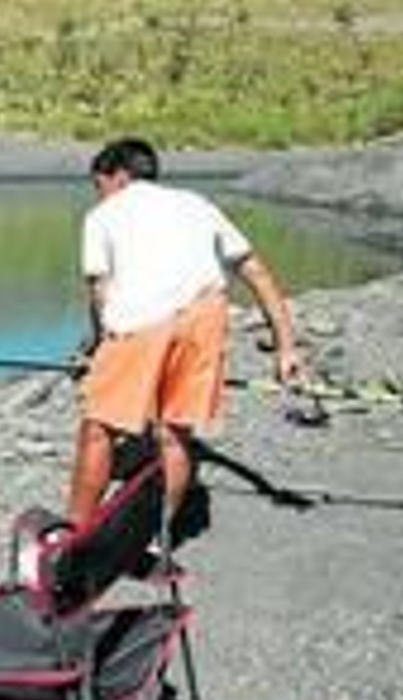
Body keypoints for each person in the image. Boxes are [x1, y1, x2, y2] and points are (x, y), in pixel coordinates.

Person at [66, 137, 303, 532]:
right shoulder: (197, 204)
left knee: (99, 427)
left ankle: (73, 535)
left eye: (100, 184)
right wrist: (286, 347)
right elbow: (254, 271)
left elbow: (99, 291)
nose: (100, 194)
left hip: (141, 323)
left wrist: (98, 347)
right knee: (175, 432)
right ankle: (160, 538)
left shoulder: (102, 215)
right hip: (204, 315)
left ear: (119, 177)